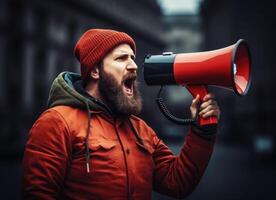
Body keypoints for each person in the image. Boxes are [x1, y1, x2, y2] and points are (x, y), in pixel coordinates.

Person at [22, 28, 220, 200]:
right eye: (121, 58)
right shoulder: (57, 122)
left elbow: (177, 182)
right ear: (95, 71)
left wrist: (204, 130)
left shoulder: (140, 129)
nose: (133, 65)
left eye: (132, 58)